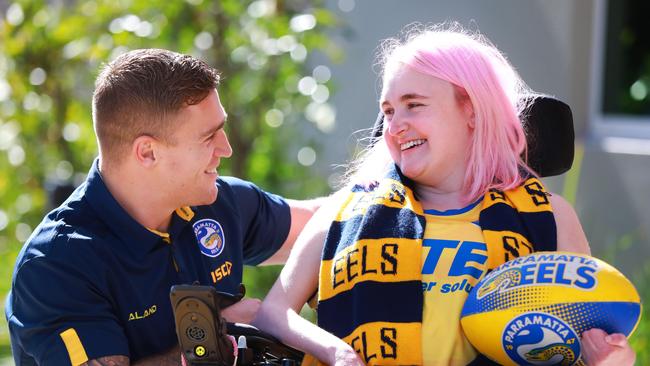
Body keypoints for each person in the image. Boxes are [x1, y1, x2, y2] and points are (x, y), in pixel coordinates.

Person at [252, 25, 636, 365]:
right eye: (387, 111)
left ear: (471, 109)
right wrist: (336, 353)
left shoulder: (550, 216)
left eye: (413, 105)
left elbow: (585, 333)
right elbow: (274, 312)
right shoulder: (344, 211)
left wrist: (609, 357)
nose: (395, 126)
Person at [5, 49, 322, 365]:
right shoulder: (55, 264)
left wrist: (374, 164)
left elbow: (331, 223)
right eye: (208, 137)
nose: (225, 148)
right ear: (147, 152)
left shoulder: (217, 204)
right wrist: (214, 338)